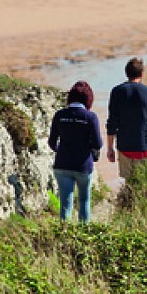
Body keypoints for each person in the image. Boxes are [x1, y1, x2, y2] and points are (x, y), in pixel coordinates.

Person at [48, 81, 102, 224]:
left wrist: (63, 151)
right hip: (83, 165)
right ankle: (84, 234)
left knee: (65, 204)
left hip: (62, 164)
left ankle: (64, 237)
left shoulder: (60, 115)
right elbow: (98, 144)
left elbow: (51, 142)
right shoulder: (91, 117)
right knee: (84, 200)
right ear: (89, 99)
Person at [106, 57, 147, 180]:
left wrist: (110, 148)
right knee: (144, 184)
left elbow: (112, 123)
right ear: (142, 74)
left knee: (129, 184)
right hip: (144, 146)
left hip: (124, 147)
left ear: (126, 73)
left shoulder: (117, 92)